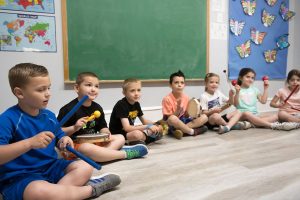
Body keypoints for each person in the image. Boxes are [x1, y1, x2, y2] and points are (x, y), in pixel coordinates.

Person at [0, 63, 120, 200]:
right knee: (37, 191)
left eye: (48, 88)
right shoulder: (7, 119)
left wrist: (64, 140)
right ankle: (91, 189)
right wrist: (30, 143)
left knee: (85, 167)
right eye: (40, 90)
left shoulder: (49, 116)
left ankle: (58, 193)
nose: (48, 94)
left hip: (51, 167)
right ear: (19, 93)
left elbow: (59, 136)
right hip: (21, 176)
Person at [57, 72, 148, 161]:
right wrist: (74, 127)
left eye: (96, 86)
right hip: (76, 144)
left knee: (120, 137)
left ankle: (101, 155)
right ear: (77, 88)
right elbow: (58, 133)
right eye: (89, 85)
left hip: (94, 143)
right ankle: (123, 154)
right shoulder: (68, 109)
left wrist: (106, 133)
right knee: (87, 147)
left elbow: (102, 127)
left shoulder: (97, 107)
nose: (93, 89)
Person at [233, 67, 299, 130]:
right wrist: (237, 92)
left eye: (252, 78)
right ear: (241, 78)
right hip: (242, 115)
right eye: (247, 77)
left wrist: (266, 89)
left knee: (276, 116)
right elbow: (236, 105)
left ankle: (250, 124)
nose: (250, 79)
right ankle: (272, 125)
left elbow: (263, 101)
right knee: (277, 115)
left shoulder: (255, 89)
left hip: (255, 115)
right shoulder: (236, 90)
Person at [109, 78, 166, 145]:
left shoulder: (136, 104)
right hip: (119, 134)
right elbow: (127, 128)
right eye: (132, 91)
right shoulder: (121, 105)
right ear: (124, 93)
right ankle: (149, 139)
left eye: (138, 90)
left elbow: (144, 121)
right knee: (137, 134)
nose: (136, 93)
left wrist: (156, 125)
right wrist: (148, 127)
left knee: (157, 128)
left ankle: (139, 141)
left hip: (129, 132)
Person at [162, 70, 208, 139]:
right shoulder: (166, 99)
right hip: (172, 122)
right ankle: (191, 131)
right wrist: (177, 110)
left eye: (182, 83)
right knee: (173, 118)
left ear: (184, 85)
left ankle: (181, 130)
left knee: (205, 117)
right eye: (176, 82)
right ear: (170, 85)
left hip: (183, 121)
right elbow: (168, 118)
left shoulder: (186, 97)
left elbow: (186, 115)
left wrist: (194, 109)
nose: (179, 85)